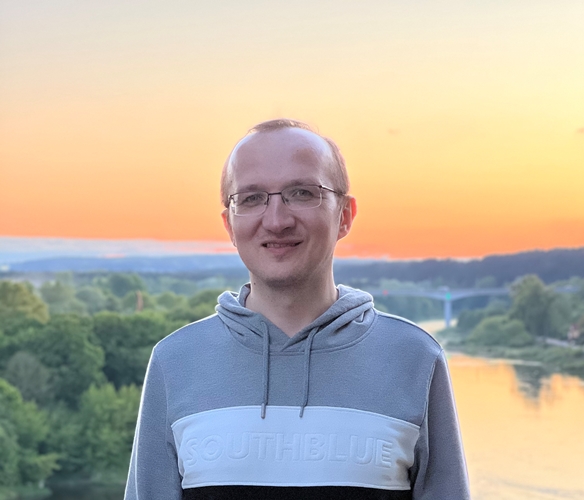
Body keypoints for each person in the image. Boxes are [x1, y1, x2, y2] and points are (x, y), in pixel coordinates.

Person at [124, 119, 470, 500]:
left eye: (302, 193)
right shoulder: (175, 363)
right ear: (229, 225)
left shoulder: (415, 360)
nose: (276, 221)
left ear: (345, 215)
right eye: (251, 198)